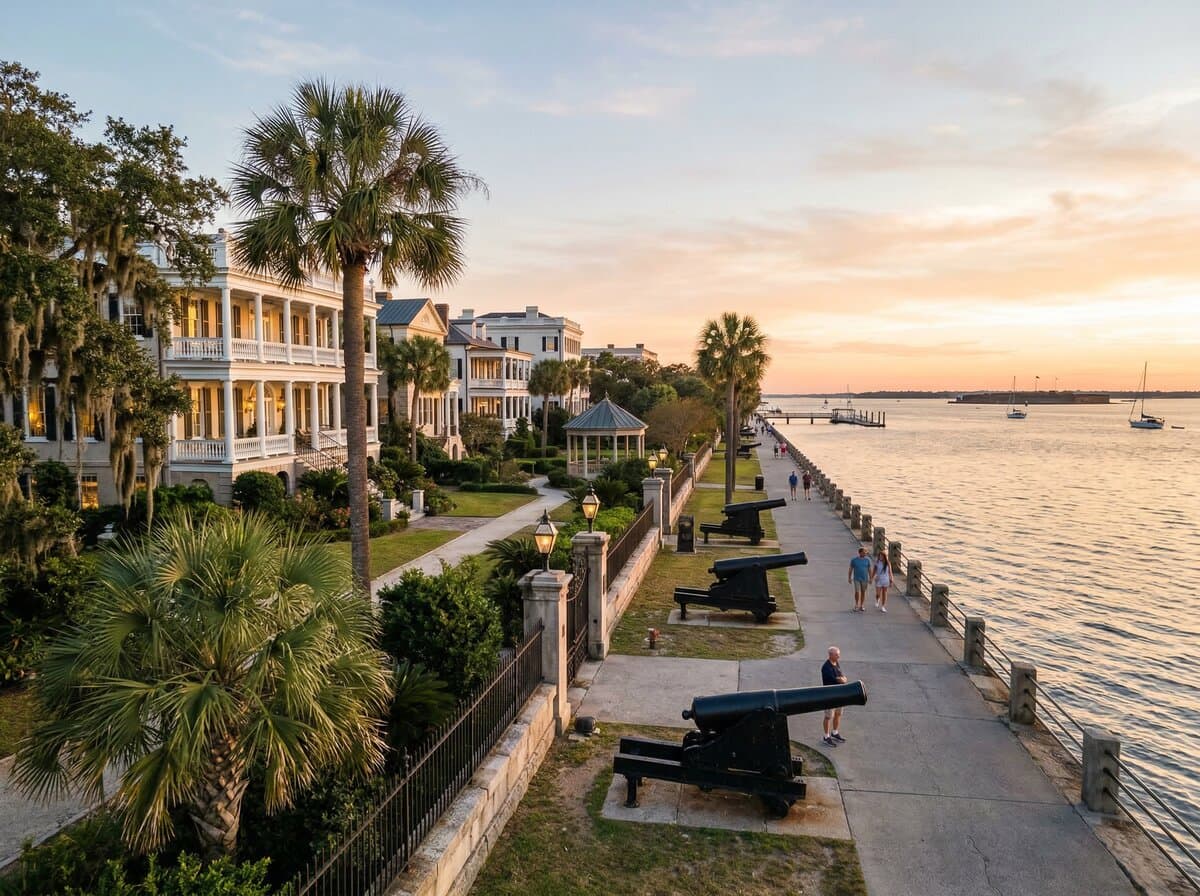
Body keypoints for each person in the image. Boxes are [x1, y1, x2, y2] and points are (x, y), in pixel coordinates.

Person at [821, 646, 848, 746]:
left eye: (838, 654)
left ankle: (835, 732)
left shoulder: (836, 663)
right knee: (828, 716)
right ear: (830, 655)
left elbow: (842, 677)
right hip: (830, 695)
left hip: (839, 695)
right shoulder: (826, 667)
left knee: (838, 713)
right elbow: (839, 680)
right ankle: (826, 736)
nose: (839, 656)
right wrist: (842, 679)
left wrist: (843, 679)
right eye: (836, 655)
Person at [848, 547, 871, 612]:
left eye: (866, 552)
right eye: (864, 552)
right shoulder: (854, 560)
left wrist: (871, 578)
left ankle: (862, 605)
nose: (865, 553)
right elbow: (850, 569)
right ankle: (856, 604)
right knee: (857, 591)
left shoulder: (867, 560)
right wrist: (849, 578)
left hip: (864, 578)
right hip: (856, 578)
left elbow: (869, 569)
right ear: (860, 553)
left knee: (863, 592)